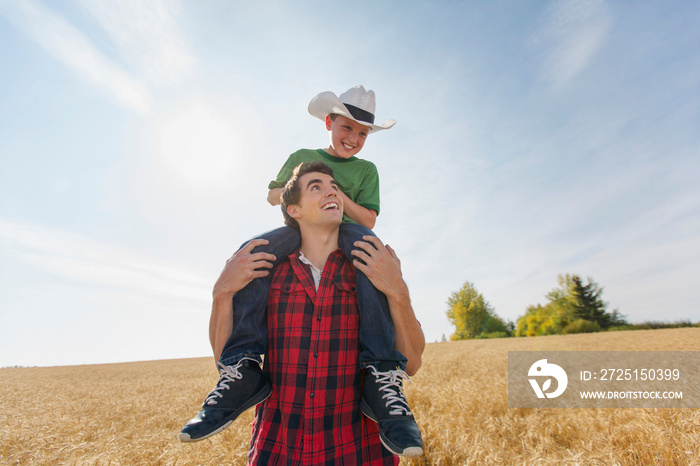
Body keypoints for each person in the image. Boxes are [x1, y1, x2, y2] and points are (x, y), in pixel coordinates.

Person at [180, 87, 424, 456]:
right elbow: (273, 194)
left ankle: (381, 373)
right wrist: (223, 290)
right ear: (329, 122)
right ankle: (242, 367)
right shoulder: (301, 160)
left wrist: (334, 199)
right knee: (253, 250)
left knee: (366, 245)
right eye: (347, 128)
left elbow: (369, 219)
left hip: (357, 447)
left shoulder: (366, 179)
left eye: (363, 134)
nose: (354, 139)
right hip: (279, 446)